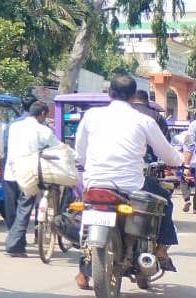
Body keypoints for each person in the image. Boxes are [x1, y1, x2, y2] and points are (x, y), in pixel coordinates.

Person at [74, 74, 184, 290]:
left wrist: (88, 167)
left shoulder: (91, 116)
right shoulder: (144, 120)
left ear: (109, 93)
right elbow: (167, 154)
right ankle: (161, 250)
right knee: (166, 201)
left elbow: (80, 151)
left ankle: (82, 272)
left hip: (95, 182)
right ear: (134, 96)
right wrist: (179, 161)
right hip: (131, 184)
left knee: (85, 219)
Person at [2, 101, 59, 256]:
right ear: (42, 114)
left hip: (10, 172)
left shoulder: (14, 126)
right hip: (28, 175)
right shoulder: (43, 130)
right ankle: (13, 244)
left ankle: (18, 244)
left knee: (13, 210)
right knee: (24, 210)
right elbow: (58, 147)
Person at [2, 94, 37, 229]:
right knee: (26, 206)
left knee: (11, 206)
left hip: (11, 170)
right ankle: (24, 236)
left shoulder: (12, 124)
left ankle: (13, 233)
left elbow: (4, 146)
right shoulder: (40, 124)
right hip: (31, 173)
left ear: (22, 106)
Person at [132, 89, 169, 162]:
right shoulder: (156, 116)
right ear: (146, 100)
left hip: (124, 160)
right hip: (149, 160)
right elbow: (166, 141)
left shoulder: (122, 113)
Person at [171, 123, 196, 212]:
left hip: (184, 164)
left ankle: (187, 200)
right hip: (193, 165)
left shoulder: (178, 138)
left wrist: (174, 170)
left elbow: (175, 151)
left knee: (182, 181)